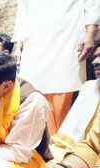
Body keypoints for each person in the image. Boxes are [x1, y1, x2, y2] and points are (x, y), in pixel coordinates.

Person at [11, 0, 100, 136]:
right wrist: (17, 45)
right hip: (33, 43)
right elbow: (22, 12)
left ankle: (55, 147)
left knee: (63, 86)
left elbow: (92, 3)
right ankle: (33, 147)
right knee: (29, 91)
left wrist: (90, 33)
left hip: (67, 38)